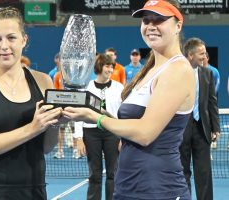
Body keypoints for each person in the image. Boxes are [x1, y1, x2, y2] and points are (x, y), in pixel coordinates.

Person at [62, 0, 194, 199]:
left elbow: (145, 133)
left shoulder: (178, 69)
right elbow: (127, 124)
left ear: (178, 25)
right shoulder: (149, 70)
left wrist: (98, 119)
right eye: (146, 20)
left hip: (159, 189)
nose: (150, 25)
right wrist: (90, 113)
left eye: (159, 19)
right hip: (128, 186)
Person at [0, 7, 62, 200]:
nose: (4, 46)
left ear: (24, 40)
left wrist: (56, 123)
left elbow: (46, 147)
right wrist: (33, 128)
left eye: (11, 38)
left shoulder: (43, 82)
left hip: (33, 189)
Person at [76, 53, 123, 200]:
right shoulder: (86, 88)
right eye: (107, 66)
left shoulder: (119, 87)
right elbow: (79, 113)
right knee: (94, 174)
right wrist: (78, 138)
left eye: (111, 67)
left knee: (113, 173)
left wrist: (122, 137)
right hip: (90, 133)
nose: (110, 69)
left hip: (112, 132)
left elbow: (122, 113)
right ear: (99, 67)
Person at [180, 37, 220, 200]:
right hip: (181, 129)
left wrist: (215, 127)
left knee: (204, 172)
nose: (205, 56)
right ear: (190, 55)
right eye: (201, 53)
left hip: (202, 129)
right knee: (182, 171)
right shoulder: (177, 73)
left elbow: (212, 102)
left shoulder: (208, 73)